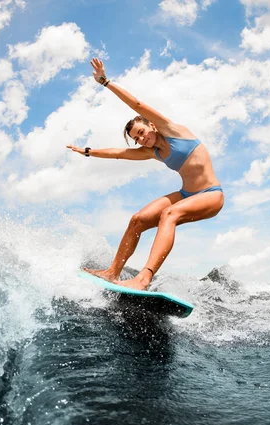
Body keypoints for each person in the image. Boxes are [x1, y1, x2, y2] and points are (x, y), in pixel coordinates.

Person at [67, 58, 224, 290]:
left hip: (211, 195)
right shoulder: (153, 152)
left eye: (141, 132)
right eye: (137, 138)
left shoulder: (173, 130)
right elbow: (119, 153)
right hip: (186, 194)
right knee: (137, 220)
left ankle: (143, 278)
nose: (141, 139)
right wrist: (88, 151)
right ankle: (112, 273)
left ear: (151, 125)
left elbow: (138, 105)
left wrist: (105, 82)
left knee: (169, 214)